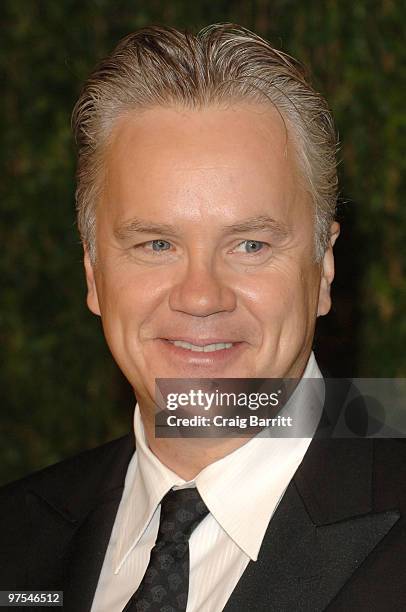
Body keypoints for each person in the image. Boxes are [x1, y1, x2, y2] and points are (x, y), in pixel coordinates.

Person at [0, 23, 404, 612]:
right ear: (94, 275)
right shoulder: (15, 536)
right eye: (156, 245)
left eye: (250, 245)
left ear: (324, 267)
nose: (200, 296)